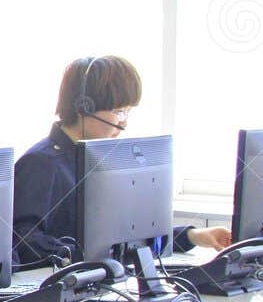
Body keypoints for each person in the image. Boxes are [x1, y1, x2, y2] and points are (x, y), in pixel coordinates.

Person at [13, 55, 230, 267]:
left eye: (128, 112)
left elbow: (131, 232)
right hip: (62, 281)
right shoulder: (41, 164)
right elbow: (22, 240)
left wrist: (192, 236)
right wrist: (79, 254)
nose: (124, 124)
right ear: (83, 107)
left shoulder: (104, 159)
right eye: (119, 112)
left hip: (104, 277)